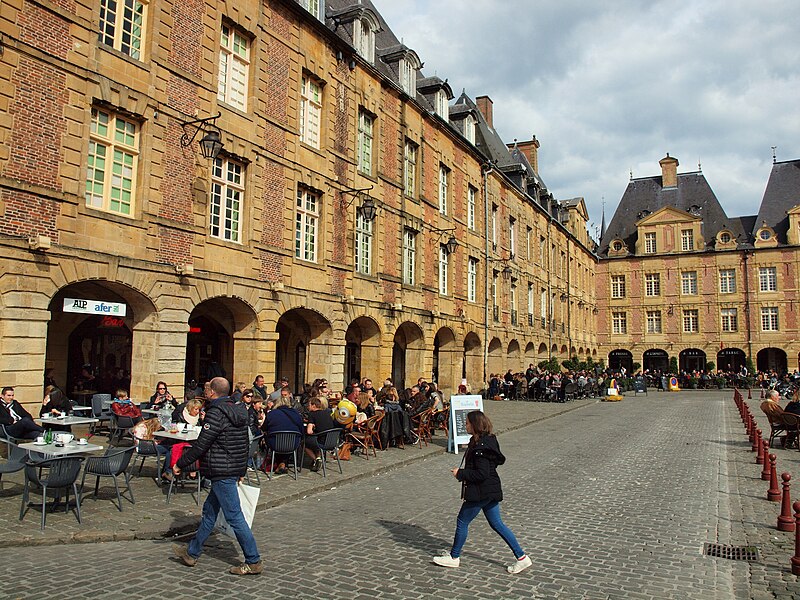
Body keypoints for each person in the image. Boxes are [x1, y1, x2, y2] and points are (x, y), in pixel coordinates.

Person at [172, 377, 262, 575]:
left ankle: (253, 560)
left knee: (235, 517)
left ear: (212, 392)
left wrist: (180, 463)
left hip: (221, 470)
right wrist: (241, 470)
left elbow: (202, 444)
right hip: (229, 468)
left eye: (206, 388)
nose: (204, 391)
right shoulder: (239, 411)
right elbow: (243, 445)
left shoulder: (216, 413)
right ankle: (191, 553)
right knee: (210, 513)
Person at [432, 410, 532, 574]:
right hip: (489, 489)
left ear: (475, 425)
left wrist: (461, 473)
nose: (465, 425)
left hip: (482, 491)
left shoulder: (481, 447)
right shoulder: (484, 441)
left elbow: (481, 473)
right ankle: (522, 557)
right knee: (497, 524)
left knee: (462, 521)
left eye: (467, 423)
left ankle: (454, 557)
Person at [262, 393, 303, 474]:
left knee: (272, 438)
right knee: (286, 441)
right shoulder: (296, 414)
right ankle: (283, 464)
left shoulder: (272, 414)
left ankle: (281, 464)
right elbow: (301, 429)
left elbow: (264, 428)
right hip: (293, 443)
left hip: (275, 443)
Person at [303, 396, 336, 472]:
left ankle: (317, 459)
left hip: (321, 442)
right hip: (331, 441)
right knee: (315, 439)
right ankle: (318, 458)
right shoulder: (327, 412)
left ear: (314, 406)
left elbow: (309, 431)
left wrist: (310, 425)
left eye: (309, 405)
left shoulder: (312, 414)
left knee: (305, 444)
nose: (308, 407)